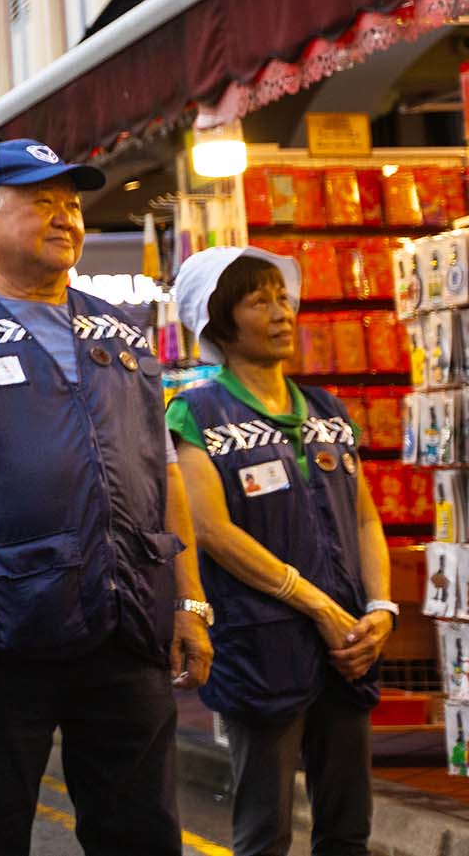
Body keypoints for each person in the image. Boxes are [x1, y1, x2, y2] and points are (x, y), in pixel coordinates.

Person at [0, 140, 212, 856]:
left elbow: (162, 470)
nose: (65, 218)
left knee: (141, 833)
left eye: (72, 204)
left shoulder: (123, 330)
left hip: (126, 621)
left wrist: (190, 600)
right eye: (41, 200)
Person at [168, 246, 392, 856]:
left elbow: (366, 520)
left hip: (349, 644)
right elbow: (210, 529)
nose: (280, 311)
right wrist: (316, 604)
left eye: (282, 297)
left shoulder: (328, 410)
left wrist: (381, 609)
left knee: (348, 829)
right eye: (258, 299)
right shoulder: (197, 413)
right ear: (219, 320)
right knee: (265, 831)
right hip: (262, 648)